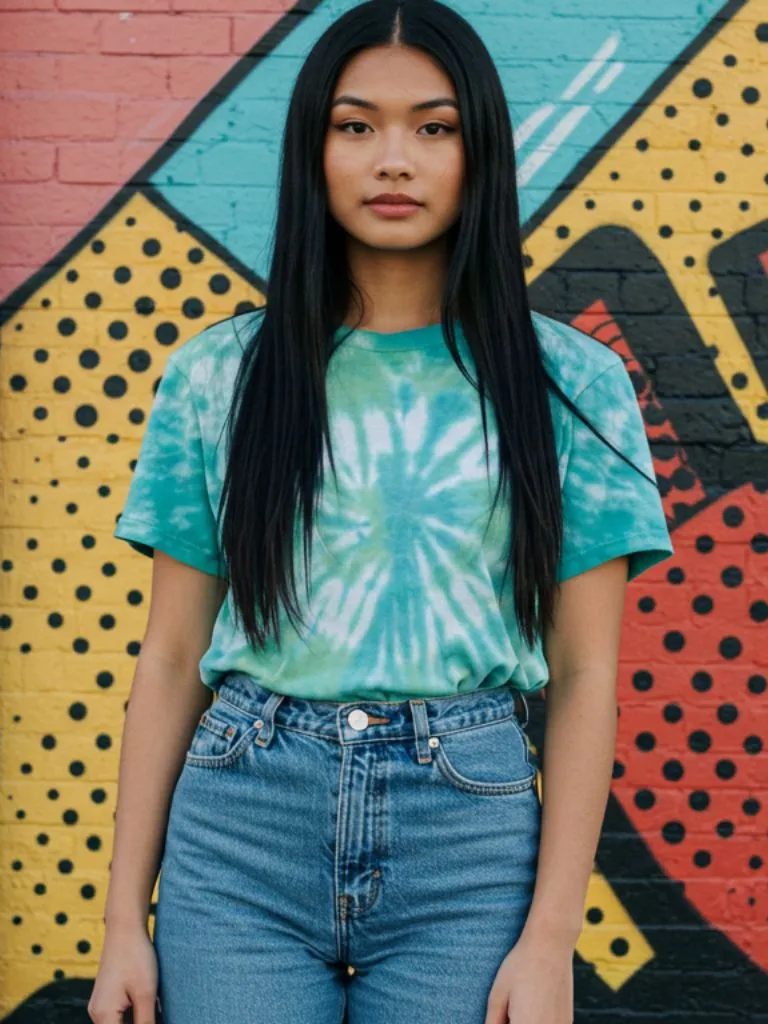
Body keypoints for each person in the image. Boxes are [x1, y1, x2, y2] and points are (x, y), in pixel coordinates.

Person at [88, 1, 674, 1022]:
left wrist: (550, 940)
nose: (393, 159)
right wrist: (121, 926)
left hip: (468, 848)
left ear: (480, 152)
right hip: (239, 836)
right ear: (311, 151)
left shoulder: (572, 385)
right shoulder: (219, 376)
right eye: (355, 125)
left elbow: (586, 674)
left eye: (433, 127)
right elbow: (172, 657)